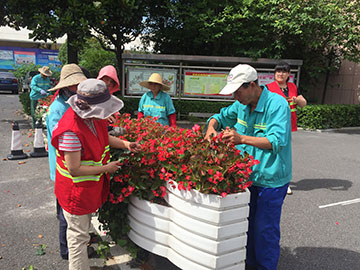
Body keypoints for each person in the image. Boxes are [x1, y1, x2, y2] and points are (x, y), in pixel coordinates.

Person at [205, 64, 292, 270]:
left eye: (238, 90)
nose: (235, 96)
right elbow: (219, 117)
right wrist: (210, 128)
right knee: (246, 226)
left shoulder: (277, 104)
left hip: (271, 180)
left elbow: (277, 141)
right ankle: (249, 265)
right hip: (246, 177)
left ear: (252, 85)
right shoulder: (241, 105)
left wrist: (241, 138)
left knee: (264, 230)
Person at [51, 79, 141, 270]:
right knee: (78, 238)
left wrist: (125, 144)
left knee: (81, 233)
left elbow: (102, 136)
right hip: (75, 192)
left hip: (87, 189)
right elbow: (74, 168)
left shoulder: (92, 118)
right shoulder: (71, 131)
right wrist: (105, 169)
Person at [46, 64, 88, 260]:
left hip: (71, 168)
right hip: (64, 170)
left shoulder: (72, 102)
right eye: (75, 85)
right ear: (65, 87)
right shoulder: (58, 108)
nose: (78, 87)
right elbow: (62, 139)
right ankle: (67, 251)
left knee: (67, 212)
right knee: (66, 214)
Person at [267, 61, 307, 195]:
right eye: (278, 71)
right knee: (272, 151)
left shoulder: (292, 87)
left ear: (288, 74)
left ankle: (284, 182)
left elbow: (303, 103)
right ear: (274, 73)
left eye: (284, 71)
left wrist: (296, 100)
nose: (280, 74)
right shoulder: (268, 87)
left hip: (288, 125)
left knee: (284, 154)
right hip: (272, 124)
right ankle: (270, 178)